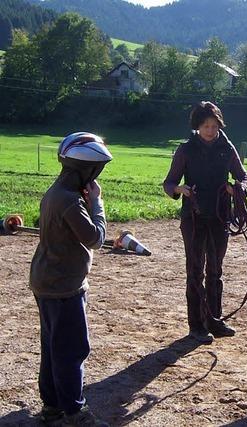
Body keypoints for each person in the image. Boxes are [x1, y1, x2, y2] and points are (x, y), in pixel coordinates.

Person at [29, 132, 113, 426]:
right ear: (86, 170)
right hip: (62, 286)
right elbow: (95, 238)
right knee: (73, 348)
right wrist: (97, 205)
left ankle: (51, 405)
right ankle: (75, 412)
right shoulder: (69, 201)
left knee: (53, 346)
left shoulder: (56, 192)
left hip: (47, 280)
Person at [163, 101, 247, 344]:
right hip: (194, 218)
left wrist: (239, 189)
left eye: (214, 126)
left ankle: (215, 320)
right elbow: (169, 183)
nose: (211, 131)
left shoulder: (227, 147)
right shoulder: (185, 150)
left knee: (215, 269)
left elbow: (243, 176)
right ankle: (196, 325)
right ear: (197, 126)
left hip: (220, 216)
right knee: (195, 270)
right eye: (206, 126)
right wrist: (179, 189)